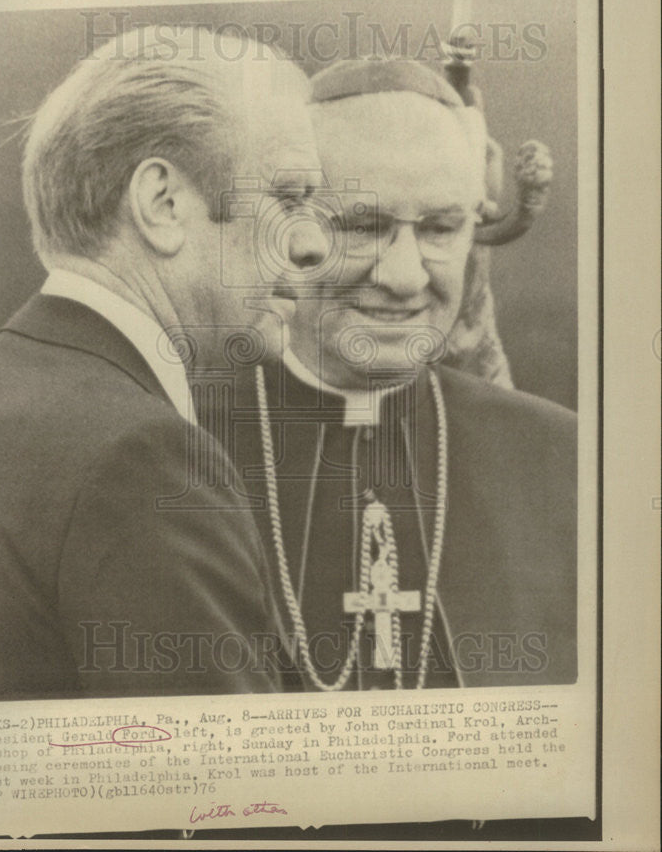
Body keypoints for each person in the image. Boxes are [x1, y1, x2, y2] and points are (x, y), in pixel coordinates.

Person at [0, 26, 328, 701]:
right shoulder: (140, 459)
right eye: (287, 197)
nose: (312, 244)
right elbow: (234, 797)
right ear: (162, 205)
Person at [202, 56, 577, 691]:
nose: (405, 277)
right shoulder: (179, 443)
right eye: (362, 226)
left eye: (439, 228)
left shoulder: (562, 456)